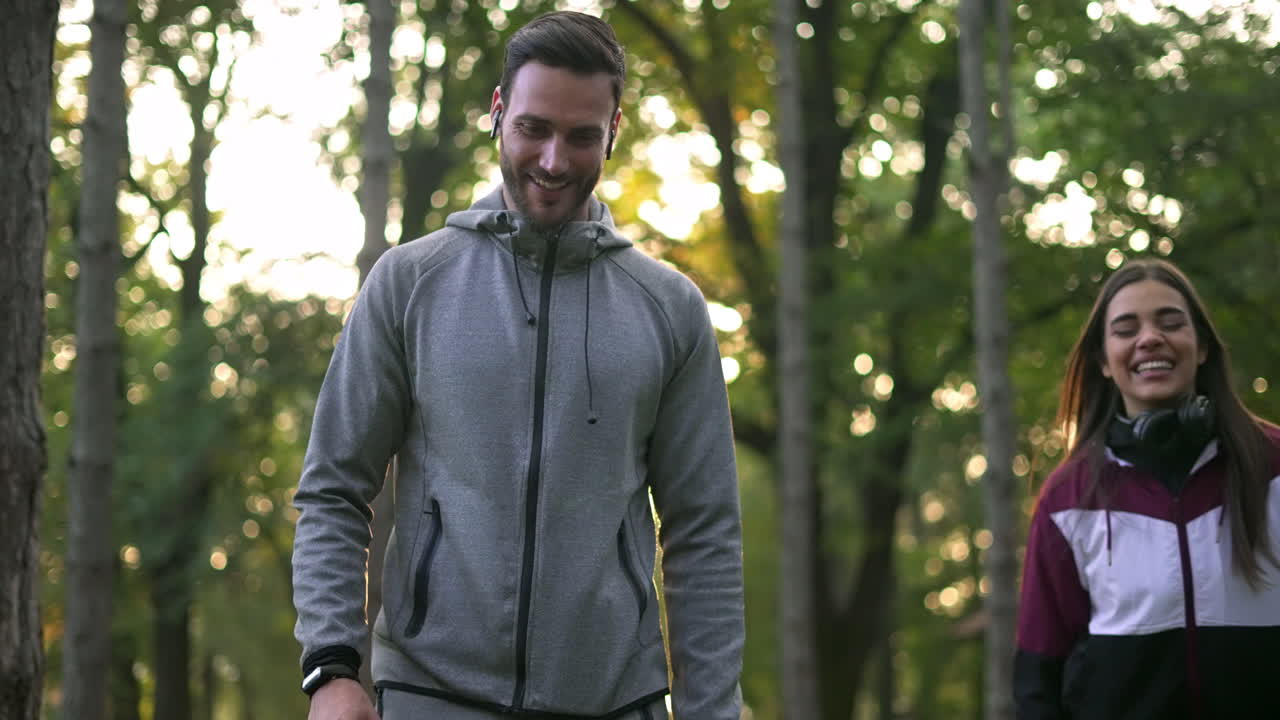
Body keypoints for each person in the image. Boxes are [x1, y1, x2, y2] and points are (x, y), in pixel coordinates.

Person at [290, 10, 745, 720]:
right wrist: (332, 665)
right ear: (498, 113)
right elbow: (333, 489)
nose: (554, 161)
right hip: (428, 693)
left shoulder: (670, 310)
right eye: (535, 128)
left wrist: (712, 711)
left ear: (614, 131)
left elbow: (704, 533)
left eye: (582, 135)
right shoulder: (410, 284)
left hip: (613, 700)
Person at [1013, 258, 1280, 719]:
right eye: (1125, 328)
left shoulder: (1274, 466)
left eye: (1171, 322)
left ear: (1201, 348)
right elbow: (1039, 682)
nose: (1150, 338)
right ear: (1103, 360)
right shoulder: (1066, 501)